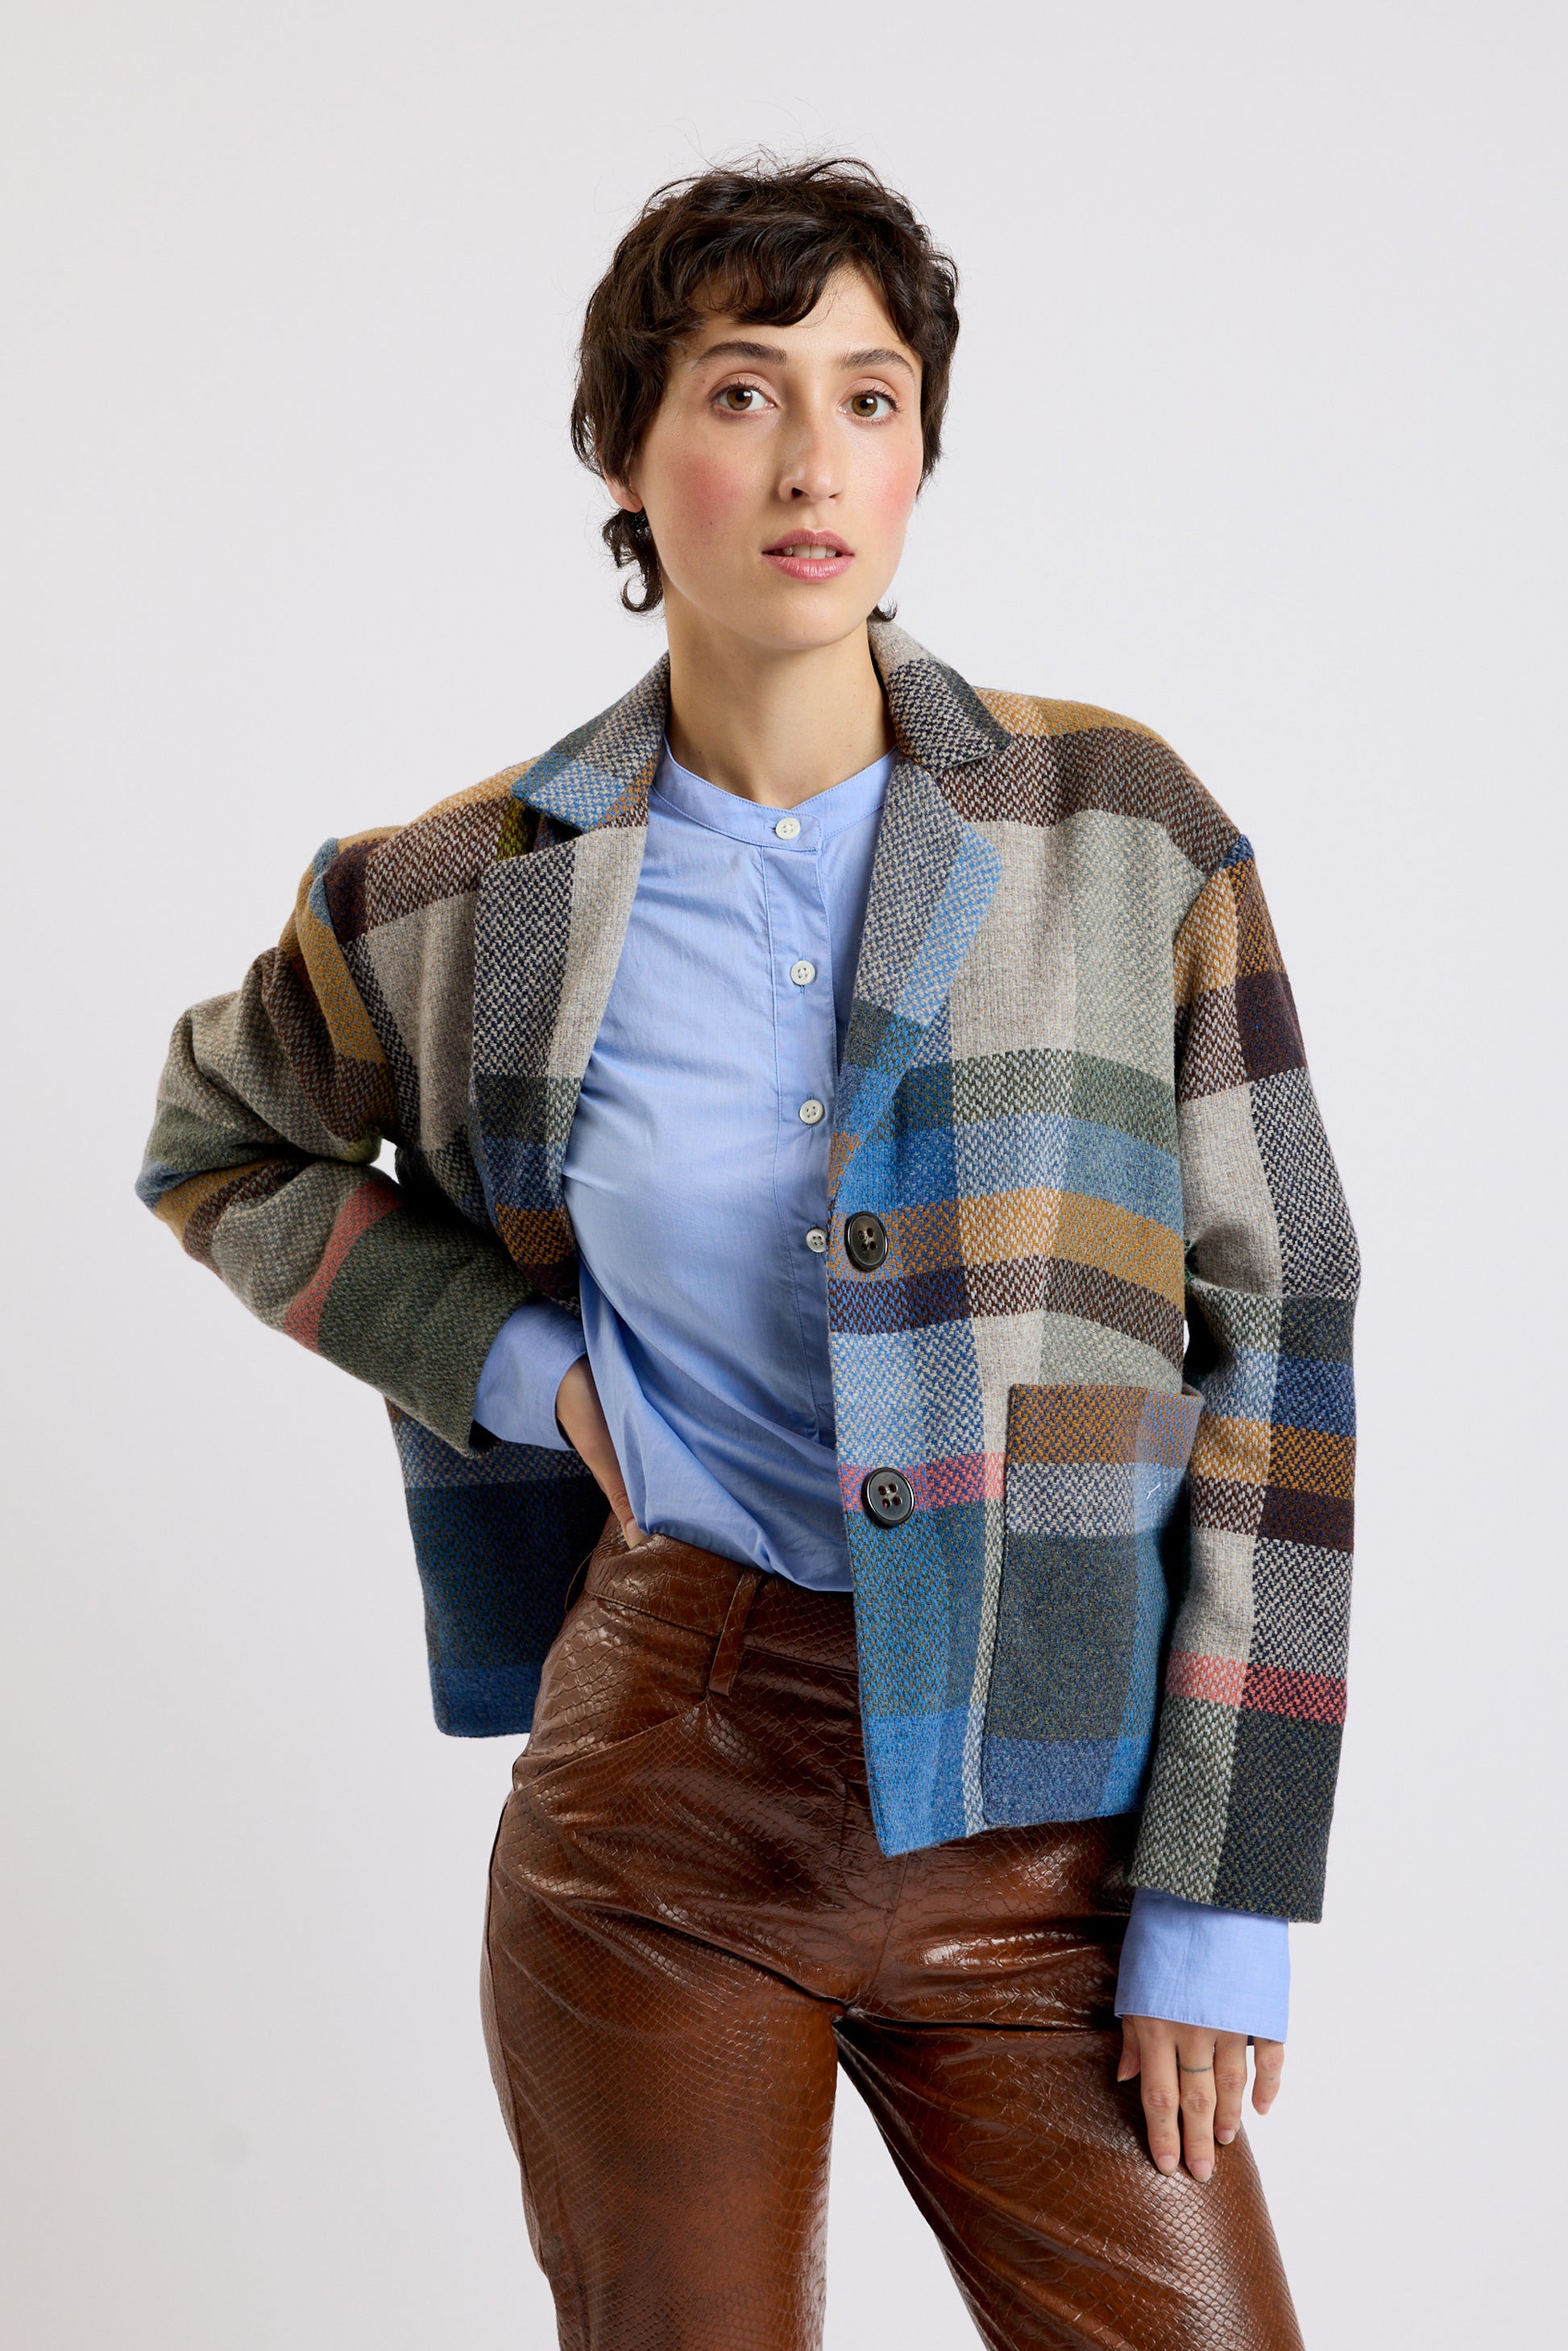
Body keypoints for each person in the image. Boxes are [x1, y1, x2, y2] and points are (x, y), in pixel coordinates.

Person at [138, 155, 1358, 2349]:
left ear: (919, 454)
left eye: (869, 398)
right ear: (625, 455)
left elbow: (1284, 1335)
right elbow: (217, 1142)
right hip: (665, 1798)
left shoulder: (1118, 833)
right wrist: (520, 1366)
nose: (812, 461)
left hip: (1053, 1815)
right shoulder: (467, 896)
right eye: (739, 390)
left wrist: (1223, 1887)